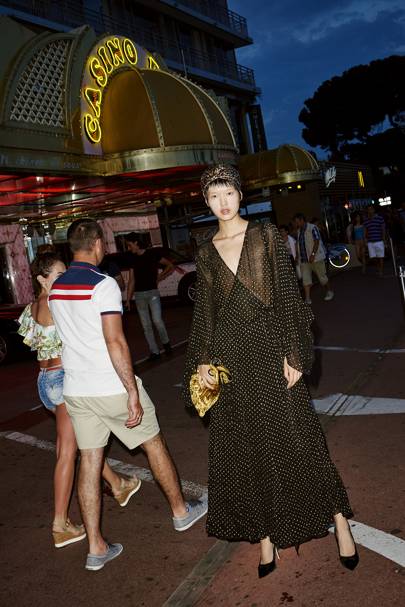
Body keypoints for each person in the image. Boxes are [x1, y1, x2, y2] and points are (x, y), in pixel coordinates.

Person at [183, 165, 358, 579]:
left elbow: (288, 297)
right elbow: (205, 314)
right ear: (206, 201)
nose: (223, 202)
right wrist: (203, 360)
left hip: (270, 347)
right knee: (247, 448)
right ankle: (265, 537)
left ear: (240, 194)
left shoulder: (265, 235)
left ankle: (340, 521)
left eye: (228, 193)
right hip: (231, 358)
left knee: (302, 438)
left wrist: (293, 352)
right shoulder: (205, 251)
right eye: (214, 196)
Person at [49, 219, 207, 571]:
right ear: (97, 244)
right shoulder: (102, 284)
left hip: (77, 389)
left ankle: (96, 547)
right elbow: (115, 341)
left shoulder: (57, 288)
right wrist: (131, 390)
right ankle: (181, 511)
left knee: (90, 461)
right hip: (109, 385)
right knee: (153, 443)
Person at [18, 252, 139, 549]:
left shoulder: (32, 308)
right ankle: (60, 524)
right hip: (62, 381)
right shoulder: (56, 302)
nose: (64, 279)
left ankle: (117, 484)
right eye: (58, 275)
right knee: (67, 452)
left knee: (86, 440)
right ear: (42, 279)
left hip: (45, 382)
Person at [125, 233, 173, 361]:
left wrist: (160, 276)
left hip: (152, 293)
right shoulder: (132, 258)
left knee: (157, 320)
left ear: (136, 243)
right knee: (146, 325)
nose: (129, 248)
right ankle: (154, 351)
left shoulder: (152, 254)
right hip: (139, 295)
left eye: (129, 245)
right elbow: (132, 280)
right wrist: (128, 300)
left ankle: (166, 343)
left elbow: (170, 265)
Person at [294, 213, 334, 304]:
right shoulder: (299, 231)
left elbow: (317, 241)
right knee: (306, 280)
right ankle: (307, 298)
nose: (296, 224)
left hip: (316, 258)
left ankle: (329, 291)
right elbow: (299, 244)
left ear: (302, 220)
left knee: (322, 277)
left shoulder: (312, 228)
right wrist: (297, 255)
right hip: (304, 260)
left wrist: (312, 254)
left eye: (297, 222)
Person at [364, 205, 385, 276]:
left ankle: (381, 270)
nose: (370, 211)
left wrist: (384, 239)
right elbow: (365, 231)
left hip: (379, 240)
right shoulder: (366, 220)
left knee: (380, 256)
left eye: (371, 209)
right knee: (373, 257)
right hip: (370, 241)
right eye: (368, 209)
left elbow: (383, 229)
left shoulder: (380, 218)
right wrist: (365, 240)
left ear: (374, 210)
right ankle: (378, 267)